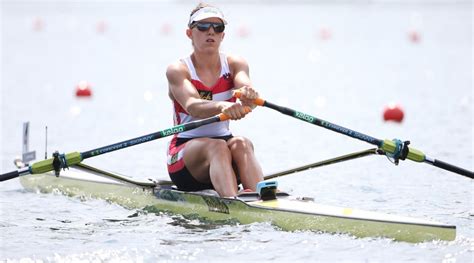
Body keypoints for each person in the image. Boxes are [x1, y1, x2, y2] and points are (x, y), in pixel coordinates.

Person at [165, 3, 264, 197]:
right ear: (189, 33)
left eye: (217, 27)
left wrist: (249, 96)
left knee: (243, 143)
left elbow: (245, 90)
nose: (210, 31)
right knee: (217, 146)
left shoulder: (236, 64)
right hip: (184, 153)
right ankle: (232, 201)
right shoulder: (178, 70)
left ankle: (263, 199)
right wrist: (222, 106)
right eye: (202, 26)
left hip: (224, 150)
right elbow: (193, 106)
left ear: (222, 35)